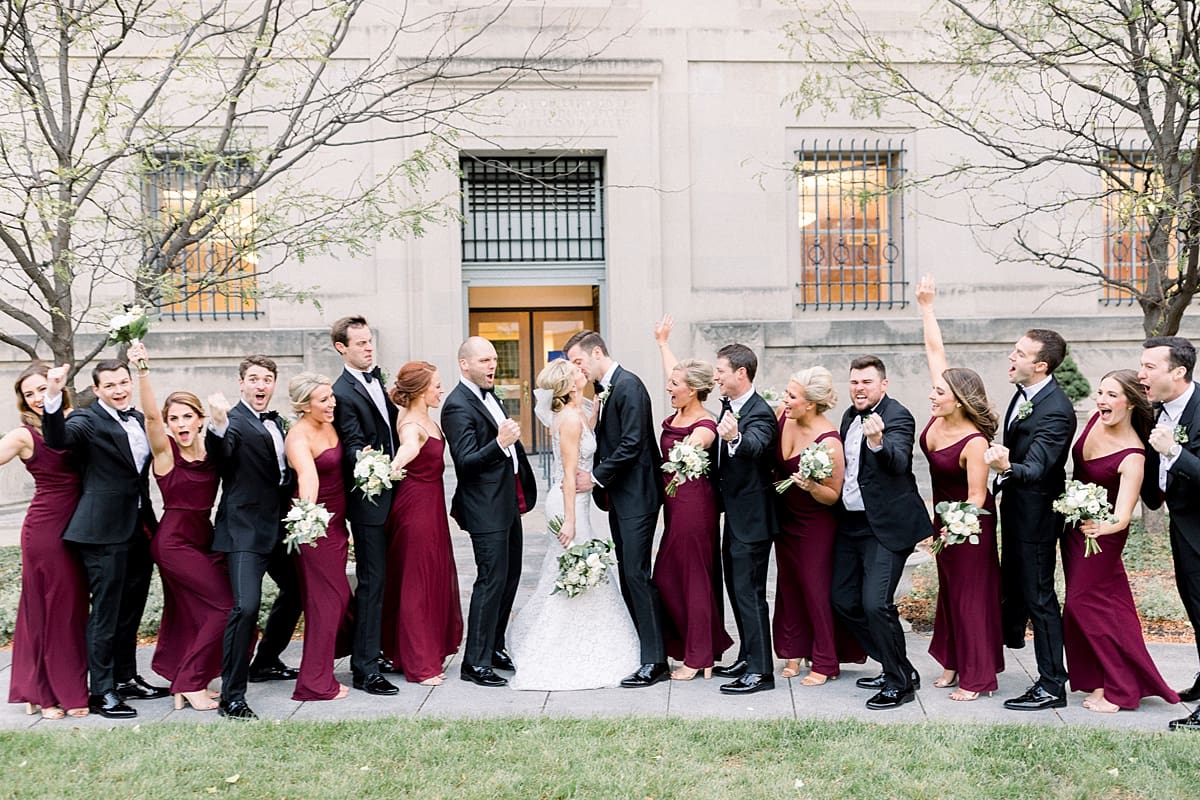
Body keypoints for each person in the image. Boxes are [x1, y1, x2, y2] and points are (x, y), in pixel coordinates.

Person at [506, 359, 640, 690]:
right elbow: (567, 474)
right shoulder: (567, 419)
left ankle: (591, 639)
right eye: (577, 371)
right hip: (569, 504)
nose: (583, 371)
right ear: (568, 383)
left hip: (581, 503)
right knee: (575, 571)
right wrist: (569, 520)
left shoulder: (579, 410)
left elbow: (590, 435)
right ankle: (557, 647)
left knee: (584, 573)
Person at [43, 359, 164, 719]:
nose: (120, 390)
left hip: (139, 527)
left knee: (131, 610)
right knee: (107, 614)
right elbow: (58, 438)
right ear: (96, 390)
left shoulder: (138, 419)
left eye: (123, 382)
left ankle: (126, 678)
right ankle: (102, 691)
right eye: (110, 385)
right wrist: (53, 393)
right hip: (102, 533)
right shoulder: (86, 420)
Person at [1061, 369, 1179, 713]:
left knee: (1081, 604)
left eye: (1112, 395)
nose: (1102, 400)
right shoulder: (1094, 422)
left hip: (1102, 537)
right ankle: (1099, 681)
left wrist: (1101, 527)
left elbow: (1123, 516)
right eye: (1100, 393)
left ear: (1129, 401)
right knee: (1111, 607)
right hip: (1076, 531)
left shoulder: (1134, 456)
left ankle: (1121, 689)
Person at [915, 276, 1004, 701]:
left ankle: (978, 677)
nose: (933, 396)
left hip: (970, 528)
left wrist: (950, 530)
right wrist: (927, 308)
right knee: (950, 593)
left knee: (971, 597)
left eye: (940, 393)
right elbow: (936, 353)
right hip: (945, 523)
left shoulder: (974, 441)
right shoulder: (940, 413)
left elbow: (977, 498)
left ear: (960, 400)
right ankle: (952, 662)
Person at [128, 343, 229, 712]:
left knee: (194, 612)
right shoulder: (166, 453)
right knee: (225, 606)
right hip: (173, 543)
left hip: (204, 539)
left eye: (188, 417)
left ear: (200, 419)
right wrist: (141, 370)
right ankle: (190, 682)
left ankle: (183, 682)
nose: (181, 424)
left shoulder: (213, 452)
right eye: (175, 419)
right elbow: (151, 418)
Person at [565, 330, 667, 688]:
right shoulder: (605, 389)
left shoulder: (629, 386)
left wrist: (594, 477)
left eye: (579, 361)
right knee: (628, 573)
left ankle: (655, 661)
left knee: (637, 574)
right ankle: (645, 649)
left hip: (638, 496)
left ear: (596, 353)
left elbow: (634, 442)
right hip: (622, 497)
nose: (578, 369)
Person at [833, 355, 932, 710]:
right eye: (854, 382)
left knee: (876, 604)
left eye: (866, 382)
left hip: (887, 527)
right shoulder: (848, 416)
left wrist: (878, 443)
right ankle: (898, 666)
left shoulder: (898, 416)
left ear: (883, 385)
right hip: (851, 524)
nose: (859, 388)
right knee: (843, 600)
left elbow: (899, 460)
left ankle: (899, 682)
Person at [984, 329, 1076, 711]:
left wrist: (1005, 467)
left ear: (1040, 366)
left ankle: (1053, 684)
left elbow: (1037, 466)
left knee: (1041, 598)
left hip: (1037, 518)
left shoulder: (1056, 409)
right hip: (1017, 513)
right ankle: (1016, 646)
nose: (1011, 357)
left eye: (1019, 353)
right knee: (1020, 591)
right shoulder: (1025, 394)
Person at [208, 355, 303, 720]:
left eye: (267, 379)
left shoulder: (278, 422)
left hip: (279, 528)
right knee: (245, 607)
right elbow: (222, 452)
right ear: (241, 383)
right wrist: (216, 424)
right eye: (254, 379)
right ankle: (232, 696)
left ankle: (265, 662)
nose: (261, 385)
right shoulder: (231, 421)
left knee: (297, 590)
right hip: (244, 530)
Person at [442, 337, 537, 688]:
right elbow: (465, 462)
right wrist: (500, 444)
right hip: (484, 508)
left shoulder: (490, 394)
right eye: (484, 360)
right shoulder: (456, 405)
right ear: (464, 364)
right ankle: (475, 662)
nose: (492, 365)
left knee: (510, 577)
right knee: (490, 580)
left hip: (507, 501)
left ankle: (495, 646)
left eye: (494, 359)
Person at [2, 364, 89, 720]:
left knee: (71, 609)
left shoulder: (76, 420)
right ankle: (47, 693)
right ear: (23, 401)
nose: (38, 398)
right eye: (30, 394)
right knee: (49, 608)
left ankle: (60, 686)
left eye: (42, 389)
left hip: (81, 527)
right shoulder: (24, 435)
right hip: (46, 531)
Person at [649, 317, 732, 682]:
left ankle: (699, 658)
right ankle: (701, 647)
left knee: (692, 577)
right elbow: (678, 374)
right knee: (670, 576)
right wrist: (663, 343)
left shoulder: (705, 426)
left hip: (694, 506)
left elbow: (693, 447)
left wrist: (688, 449)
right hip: (675, 505)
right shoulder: (683, 406)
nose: (669, 388)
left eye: (674, 386)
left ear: (694, 391)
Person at [772, 366, 864, 686]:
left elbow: (832, 495)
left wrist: (811, 486)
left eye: (792, 395)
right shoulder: (783, 415)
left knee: (815, 589)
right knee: (789, 586)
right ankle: (793, 650)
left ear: (809, 403)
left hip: (815, 524)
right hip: (784, 520)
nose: (785, 398)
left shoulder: (829, 441)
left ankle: (825, 660)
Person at [330, 316, 400, 696]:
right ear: (342, 348)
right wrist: (365, 458)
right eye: (359, 343)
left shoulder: (378, 381)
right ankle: (364, 668)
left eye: (369, 341)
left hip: (395, 493)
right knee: (372, 582)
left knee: (387, 578)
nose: (368, 347)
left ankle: (380, 650)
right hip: (368, 500)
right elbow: (352, 443)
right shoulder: (341, 392)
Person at [381, 361, 463, 686]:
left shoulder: (427, 416)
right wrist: (393, 466)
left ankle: (420, 652)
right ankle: (420, 664)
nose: (441, 390)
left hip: (432, 507)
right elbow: (408, 448)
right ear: (420, 390)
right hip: (415, 510)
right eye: (437, 385)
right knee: (416, 584)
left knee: (431, 579)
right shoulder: (411, 424)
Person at [1138, 336, 1200, 730]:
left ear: (1178, 373)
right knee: (1196, 612)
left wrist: (1174, 454)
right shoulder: (1158, 412)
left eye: (1150, 367)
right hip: (1184, 528)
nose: (1141, 374)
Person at [710, 343, 779, 695]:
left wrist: (734, 437)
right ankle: (747, 653)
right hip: (734, 517)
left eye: (720, 370)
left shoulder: (760, 413)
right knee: (736, 590)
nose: (715, 376)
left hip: (752, 521)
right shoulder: (729, 405)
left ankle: (761, 671)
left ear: (741, 373)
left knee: (750, 592)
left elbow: (755, 445)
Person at [284, 372, 353, 701]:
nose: (331, 403)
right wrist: (310, 514)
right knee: (327, 600)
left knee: (335, 599)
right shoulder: (298, 437)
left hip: (338, 523)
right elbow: (307, 479)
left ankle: (323, 665)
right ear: (304, 405)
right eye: (323, 399)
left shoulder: (328, 423)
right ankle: (313, 682)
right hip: (316, 527)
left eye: (331, 397)